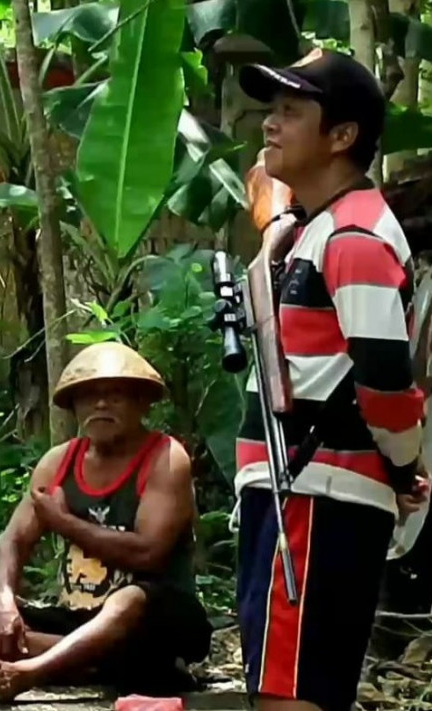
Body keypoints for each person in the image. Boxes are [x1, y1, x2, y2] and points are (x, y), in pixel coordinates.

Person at [233, 48, 430, 711]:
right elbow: (262, 178)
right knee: (289, 686)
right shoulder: (320, 226)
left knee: (291, 695)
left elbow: (383, 383)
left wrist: (403, 472)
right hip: (298, 489)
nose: (270, 124)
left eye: (291, 112)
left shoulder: (352, 239)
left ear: (342, 136)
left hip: (313, 492)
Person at [0, 342, 211, 704]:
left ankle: (33, 672)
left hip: (159, 617)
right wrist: (3, 605)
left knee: (130, 598)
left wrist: (63, 522)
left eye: (115, 395)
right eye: (88, 397)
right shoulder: (59, 461)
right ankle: (110, 663)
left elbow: (148, 553)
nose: (100, 405)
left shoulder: (166, 458)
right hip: (85, 619)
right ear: (74, 407)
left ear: (141, 403)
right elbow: (12, 540)